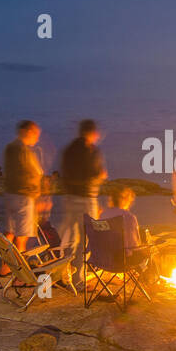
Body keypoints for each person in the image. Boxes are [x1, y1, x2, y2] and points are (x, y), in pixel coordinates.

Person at [58, 119, 107, 285]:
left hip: (70, 199)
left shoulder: (69, 150)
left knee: (69, 237)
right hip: (85, 199)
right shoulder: (90, 151)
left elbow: (65, 175)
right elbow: (92, 176)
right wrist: (100, 176)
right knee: (85, 238)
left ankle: (64, 274)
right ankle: (79, 279)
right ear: (91, 133)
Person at [1, 120, 42, 273]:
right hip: (23, 196)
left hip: (10, 194)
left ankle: (4, 268)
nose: (37, 137)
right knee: (22, 236)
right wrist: (35, 191)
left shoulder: (10, 148)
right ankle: (21, 275)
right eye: (36, 133)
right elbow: (28, 173)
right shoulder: (22, 150)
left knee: (9, 232)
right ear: (28, 132)